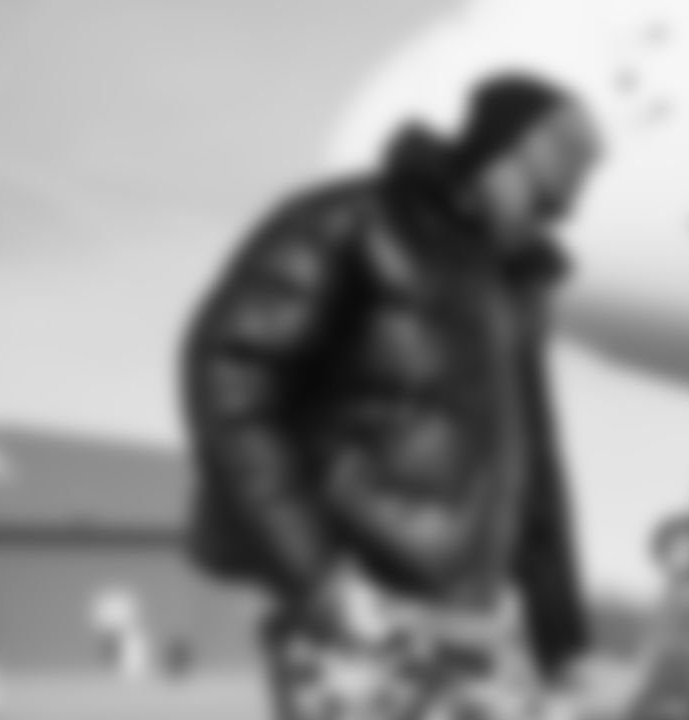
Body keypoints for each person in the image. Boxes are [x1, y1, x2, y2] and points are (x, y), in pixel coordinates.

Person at [180, 71, 604, 719]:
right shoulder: (353, 223)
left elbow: (535, 475)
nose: (545, 226)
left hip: (474, 624)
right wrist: (319, 579)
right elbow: (230, 374)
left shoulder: (509, 285)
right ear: (503, 156)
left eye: (559, 213)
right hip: (359, 613)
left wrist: (563, 642)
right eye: (541, 203)